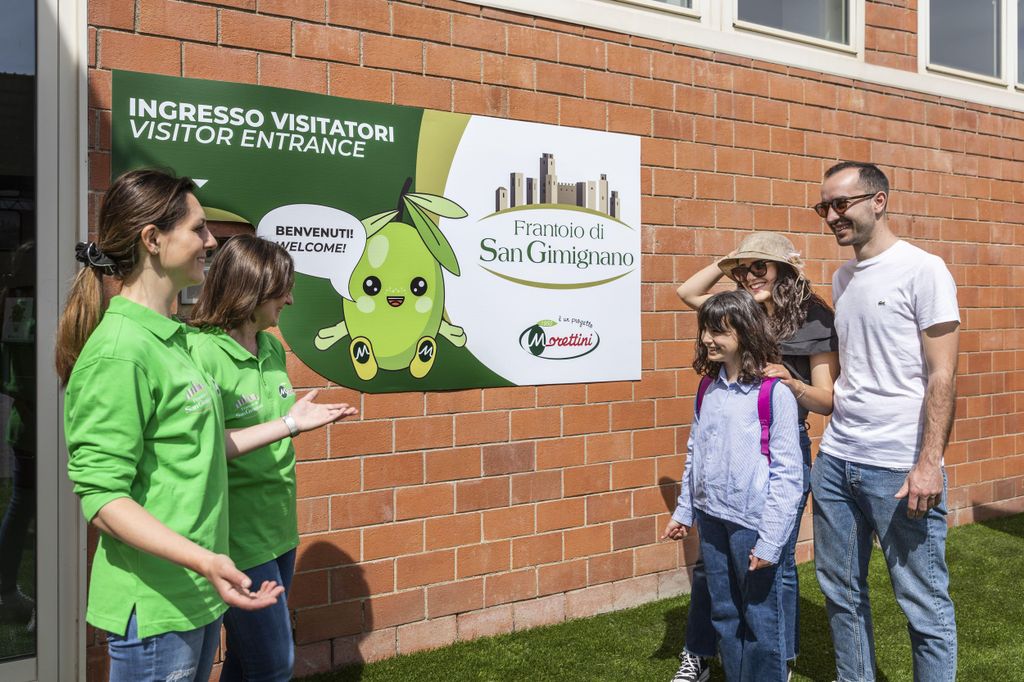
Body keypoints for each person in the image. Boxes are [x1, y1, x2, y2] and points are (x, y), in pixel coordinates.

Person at [57, 169, 355, 682]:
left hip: (197, 592)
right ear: (153, 239)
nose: (211, 241)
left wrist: (289, 424)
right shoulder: (119, 352)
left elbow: (200, 448)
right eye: (198, 229)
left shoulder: (173, 340)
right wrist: (204, 560)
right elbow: (104, 501)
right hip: (156, 605)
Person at [811, 161, 959, 682]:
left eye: (840, 204)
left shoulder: (924, 269)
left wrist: (928, 464)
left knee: (922, 604)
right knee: (840, 594)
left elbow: (942, 375)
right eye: (823, 207)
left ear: (879, 200)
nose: (831, 216)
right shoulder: (842, 276)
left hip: (897, 469)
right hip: (836, 461)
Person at [669, 232, 839, 681]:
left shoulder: (813, 319)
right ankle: (704, 652)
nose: (749, 276)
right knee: (716, 570)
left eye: (760, 266)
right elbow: (688, 293)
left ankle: (773, 661)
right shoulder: (735, 311)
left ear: (785, 270)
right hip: (727, 451)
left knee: (771, 565)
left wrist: (790, 382)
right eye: (743, 270)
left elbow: (827, 400)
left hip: (777, 441)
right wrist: (731, 261)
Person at [188, 234, 350, 681]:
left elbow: (276, 427)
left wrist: (299, 420)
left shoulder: (272, 347)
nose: (291, 299)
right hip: (236, 534)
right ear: (251, 288)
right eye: (282, 288)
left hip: (279, 527)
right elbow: (205, 443)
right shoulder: (199, 352)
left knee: (246, 658)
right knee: (275, 665)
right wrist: (293, 424)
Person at [664, 290, 803, 682]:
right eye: (705, 329)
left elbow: (789, 476)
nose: (708, 338)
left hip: (752, 526)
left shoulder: (773, 393)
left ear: (744, 332)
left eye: (718, 330)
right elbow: (697, 453)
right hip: (712, 520)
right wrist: (685, 511)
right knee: (724, 612)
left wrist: (771, 541)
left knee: (760, 617)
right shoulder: (708, 388)